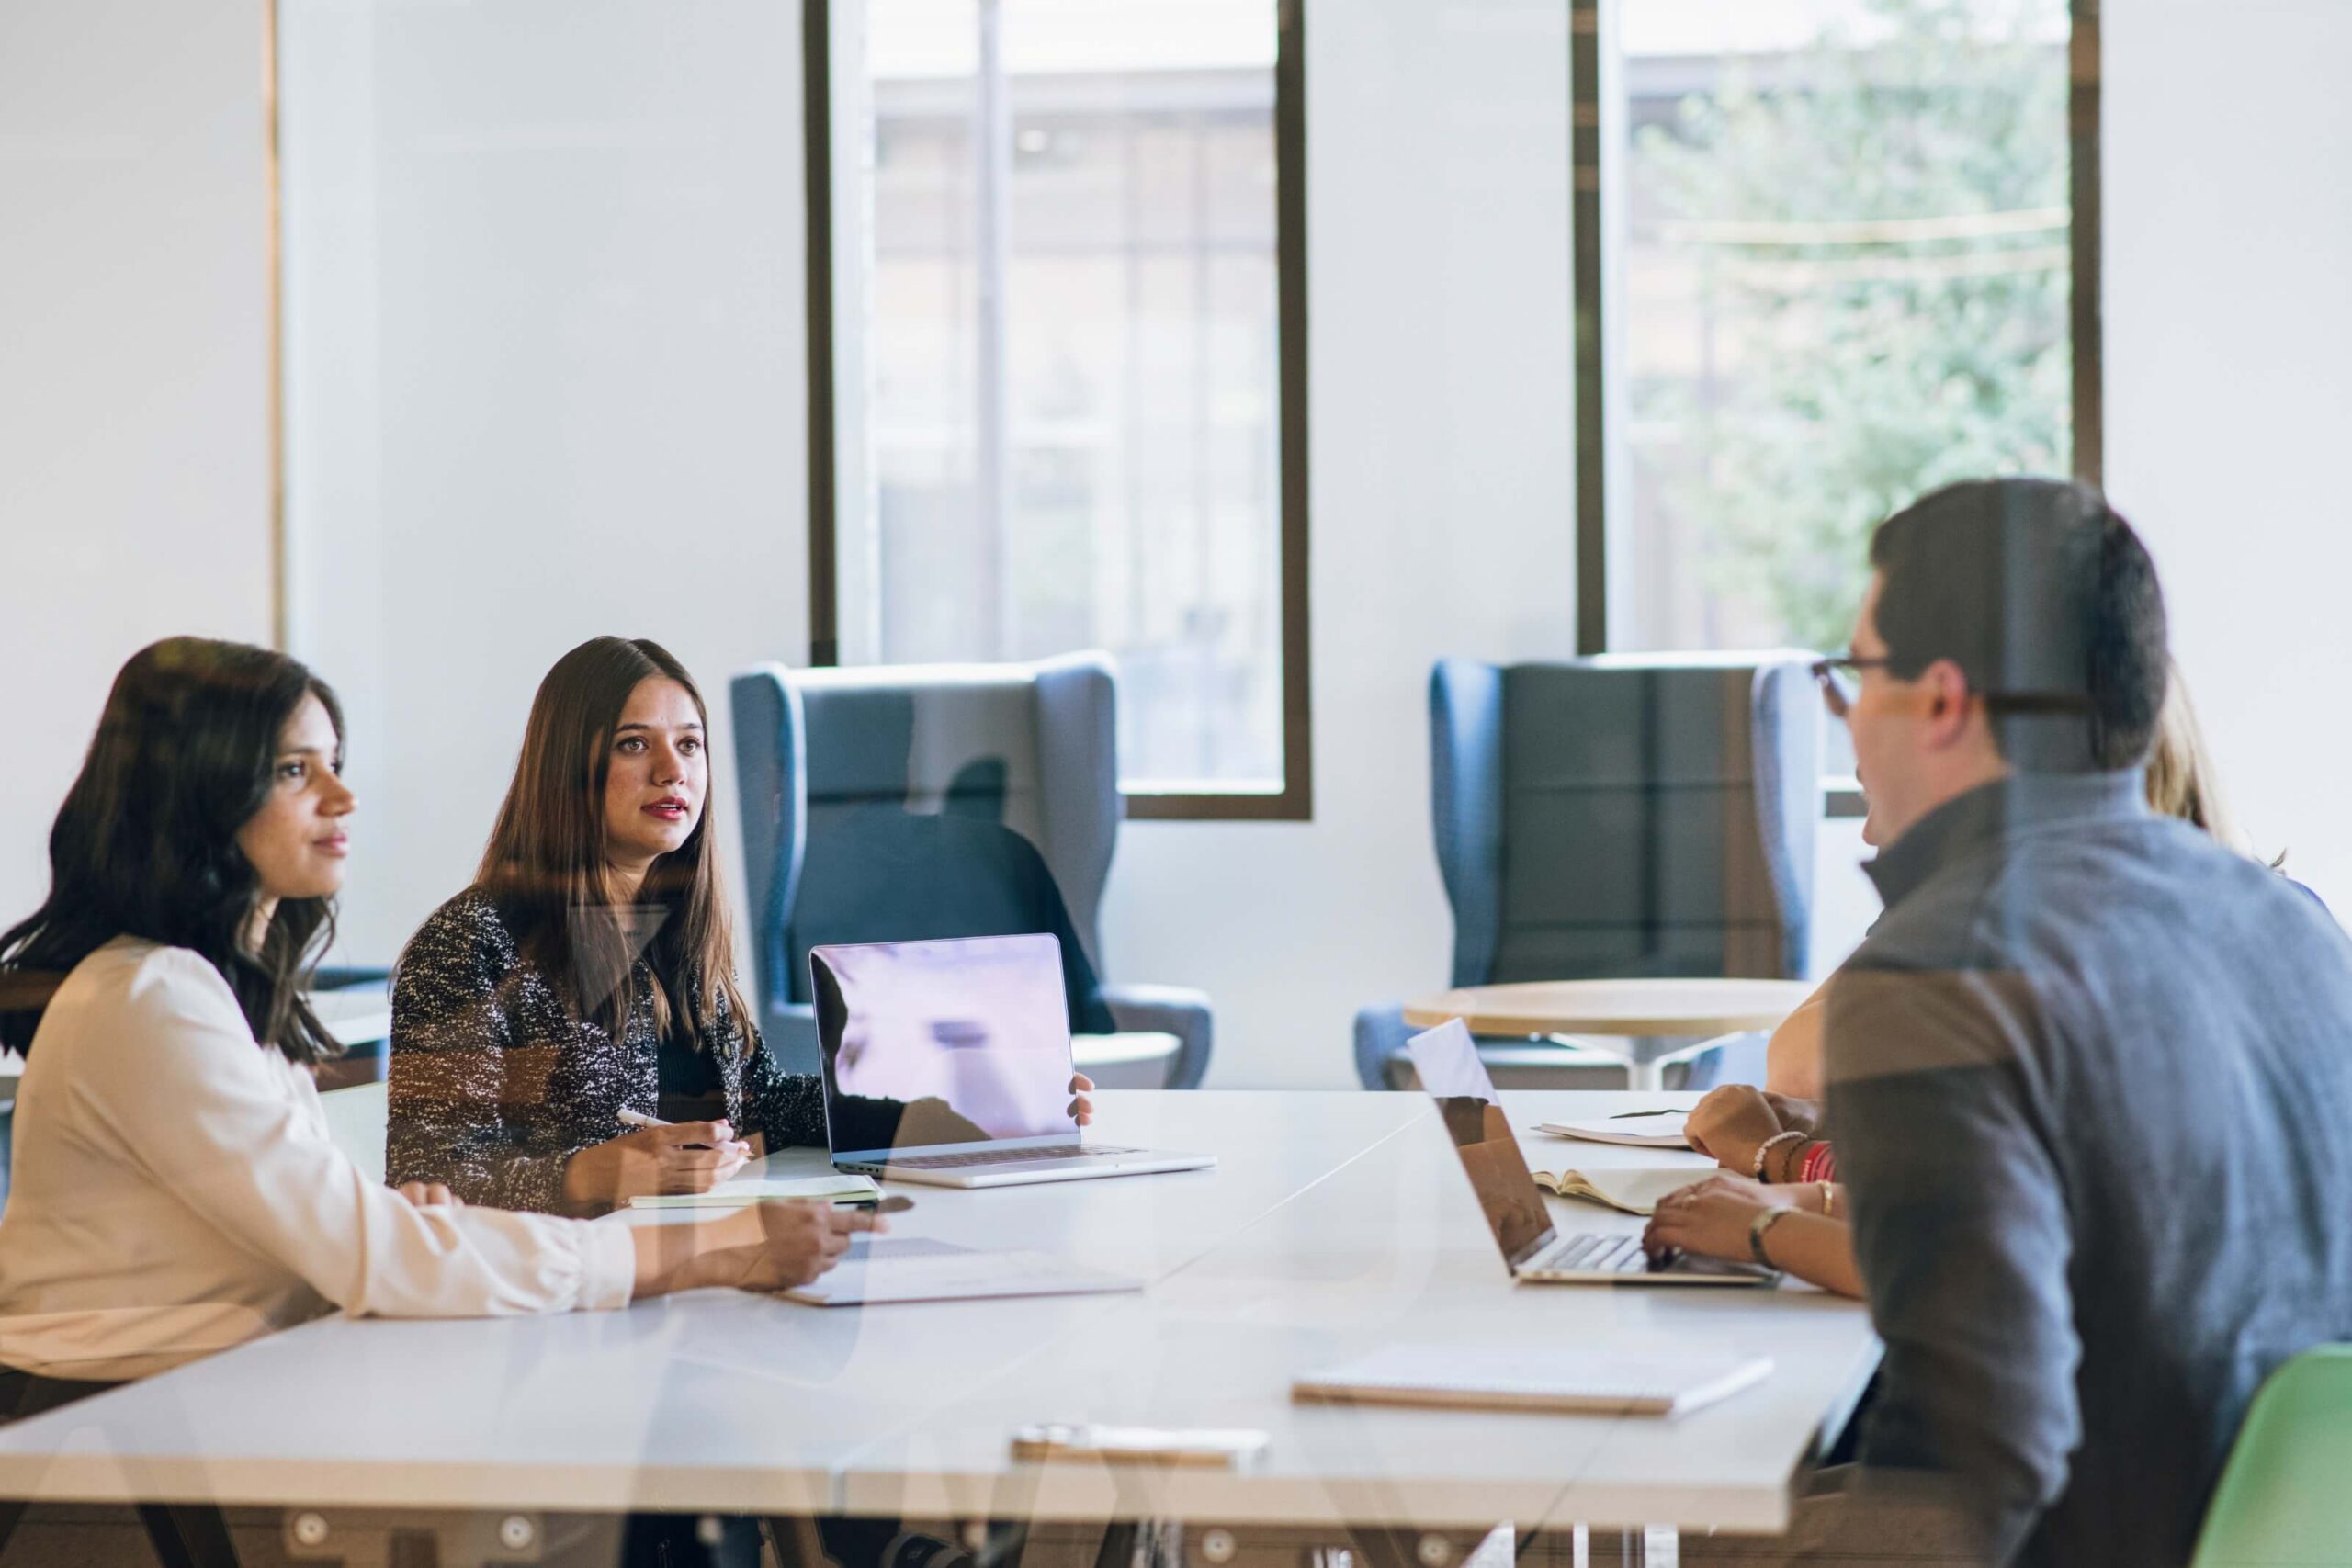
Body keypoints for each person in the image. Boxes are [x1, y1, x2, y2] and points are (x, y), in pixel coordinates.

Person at [1663, 479, 2352, 1567]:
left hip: (2096, 1537)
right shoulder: (2289, 925)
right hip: (2277, 1535)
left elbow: (1999, 1451)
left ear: (1939, 701)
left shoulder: (1941, 969)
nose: (1847, 731)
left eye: (1854, 679)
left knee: (1730, 1526)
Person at [0, 638, 876, 1397]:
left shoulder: (216, 997)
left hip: (248, 1378)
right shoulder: (159, 997)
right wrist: (701, 1250)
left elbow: (354, 1225)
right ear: (196, 796)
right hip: (133, 1420)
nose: (344, 797)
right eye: (297, 769)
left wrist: (926, 1101)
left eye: (689, 744)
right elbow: (389, 1220)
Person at [386, 635, 1091, 1214]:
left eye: (690, 745)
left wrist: (972, 1116)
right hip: (559, 1306)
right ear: (569, 767)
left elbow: (766, 1107)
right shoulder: (472, 944)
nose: (672, 769)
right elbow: (429, 1175)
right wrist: (592, 1174)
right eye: (635, 744)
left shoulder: (675, 934)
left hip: (693, 1265)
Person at [1653, 662, 2280, 1301]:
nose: (1876, 836)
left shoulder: (2097, 962)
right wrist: (1802, 1188)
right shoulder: (2259, 919)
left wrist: (1766, 1222)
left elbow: (1980, 1270)